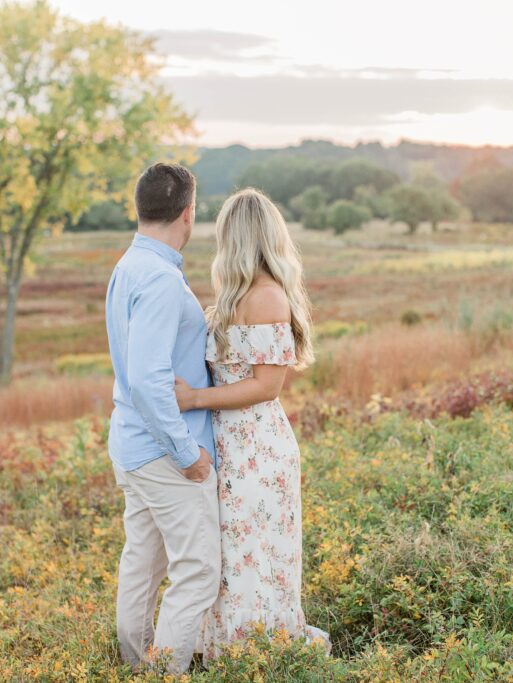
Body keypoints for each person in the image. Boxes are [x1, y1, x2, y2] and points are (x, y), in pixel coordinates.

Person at [173, 187, 331, 658]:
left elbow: (267, 386)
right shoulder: (232, 297)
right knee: (230, 551)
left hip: (258, 447)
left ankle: (259, 648)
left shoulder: (267, 298)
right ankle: (228, 645)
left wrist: (196, 398)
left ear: (235, 239)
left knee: (257, 551)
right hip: (228, 442)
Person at [104, 162, 218, 674]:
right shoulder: (161, 280)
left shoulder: (129, 265)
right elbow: (149, 379)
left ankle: (135, 665)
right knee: (196, 570)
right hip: (162, 453)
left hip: (131, 444)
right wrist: (186, 452)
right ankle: (164, 673)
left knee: (143, 566)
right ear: (188, 213)